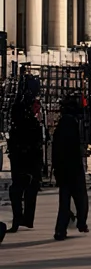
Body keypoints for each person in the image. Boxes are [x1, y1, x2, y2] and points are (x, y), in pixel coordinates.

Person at [51, 95, 89, 241]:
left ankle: (61, 229)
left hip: (62, 169)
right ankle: (81, 222)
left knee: (65, 201)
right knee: (81, 199)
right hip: (73, 168)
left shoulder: (61, 126)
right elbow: (73, 148)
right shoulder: (71, 125)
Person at [8, 96, 44, 233]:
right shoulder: (32, 124)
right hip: (29, 163)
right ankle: (26, 219)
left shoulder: (19, 125)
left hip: (23, 162)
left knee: (18, 191)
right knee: (27, 191)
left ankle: (21, 218)